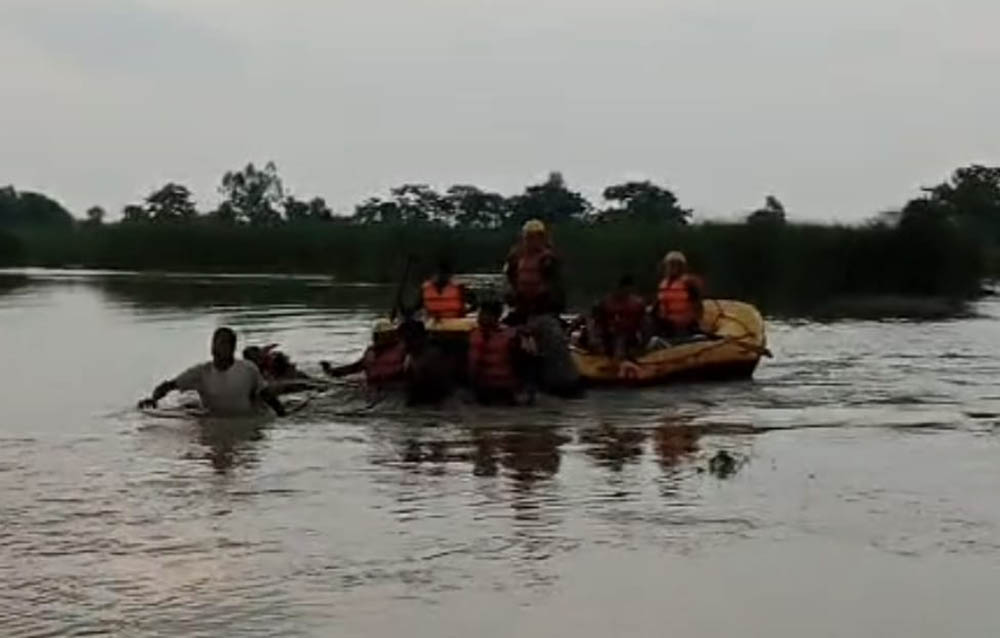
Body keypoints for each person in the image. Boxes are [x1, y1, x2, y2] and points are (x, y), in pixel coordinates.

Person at [138, 327, 286, 417]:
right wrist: (153, 399)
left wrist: (282, 414)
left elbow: (267, 395)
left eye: (222, 344)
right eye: (214, 343)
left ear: (232, 348)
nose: (215, 348)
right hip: (214, 416)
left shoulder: (248, 369)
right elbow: (169, 386)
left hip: (247, 416)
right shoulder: (200, 373)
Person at [468, 300, 534, 405]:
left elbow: (525, 366)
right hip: (480, 388)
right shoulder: (472, 334)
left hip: (505, 388)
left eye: (485, 315)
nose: (480, 318)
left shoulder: (511, 337)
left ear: (496, 317)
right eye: (480, 314)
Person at [504, 219, 562, 321]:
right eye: (528, 237)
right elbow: (510, 277)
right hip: (521, 304)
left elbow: (554, 284)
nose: (532, 241)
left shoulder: (548, 258)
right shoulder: (516, 256)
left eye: (536, 237)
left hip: (543, 307)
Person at [320, 319, 406, 388]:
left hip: (395, 388)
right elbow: (355, 367)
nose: (385, 337)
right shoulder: (371, 352)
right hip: (372, 387)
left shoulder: (403, 349)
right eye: (381, 335)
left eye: (387, 334)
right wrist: (332, 371)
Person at [398, 319, 455, 405]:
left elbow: (438, 387)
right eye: (402, 340)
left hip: (435, 401)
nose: (403, 344)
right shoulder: (412, 356)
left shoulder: (430, 357)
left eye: (407, 340)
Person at [592, 274, 647, 359]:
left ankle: (621, 358)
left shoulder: (637, 304)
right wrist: (597, 339)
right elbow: (598, 323)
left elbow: (643, 324)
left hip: (629, 336)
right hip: (609, 336)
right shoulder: (606, 303)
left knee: (621, 336)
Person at [655, 251, 704, 338]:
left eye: (675, 265)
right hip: (667, 324)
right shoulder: (663, 284)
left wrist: (698, 321)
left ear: (681, 267)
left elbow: (698, 304)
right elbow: (658, 305)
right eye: (670, 265)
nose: (671, 268)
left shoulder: (689, 283)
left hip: (685, 324)